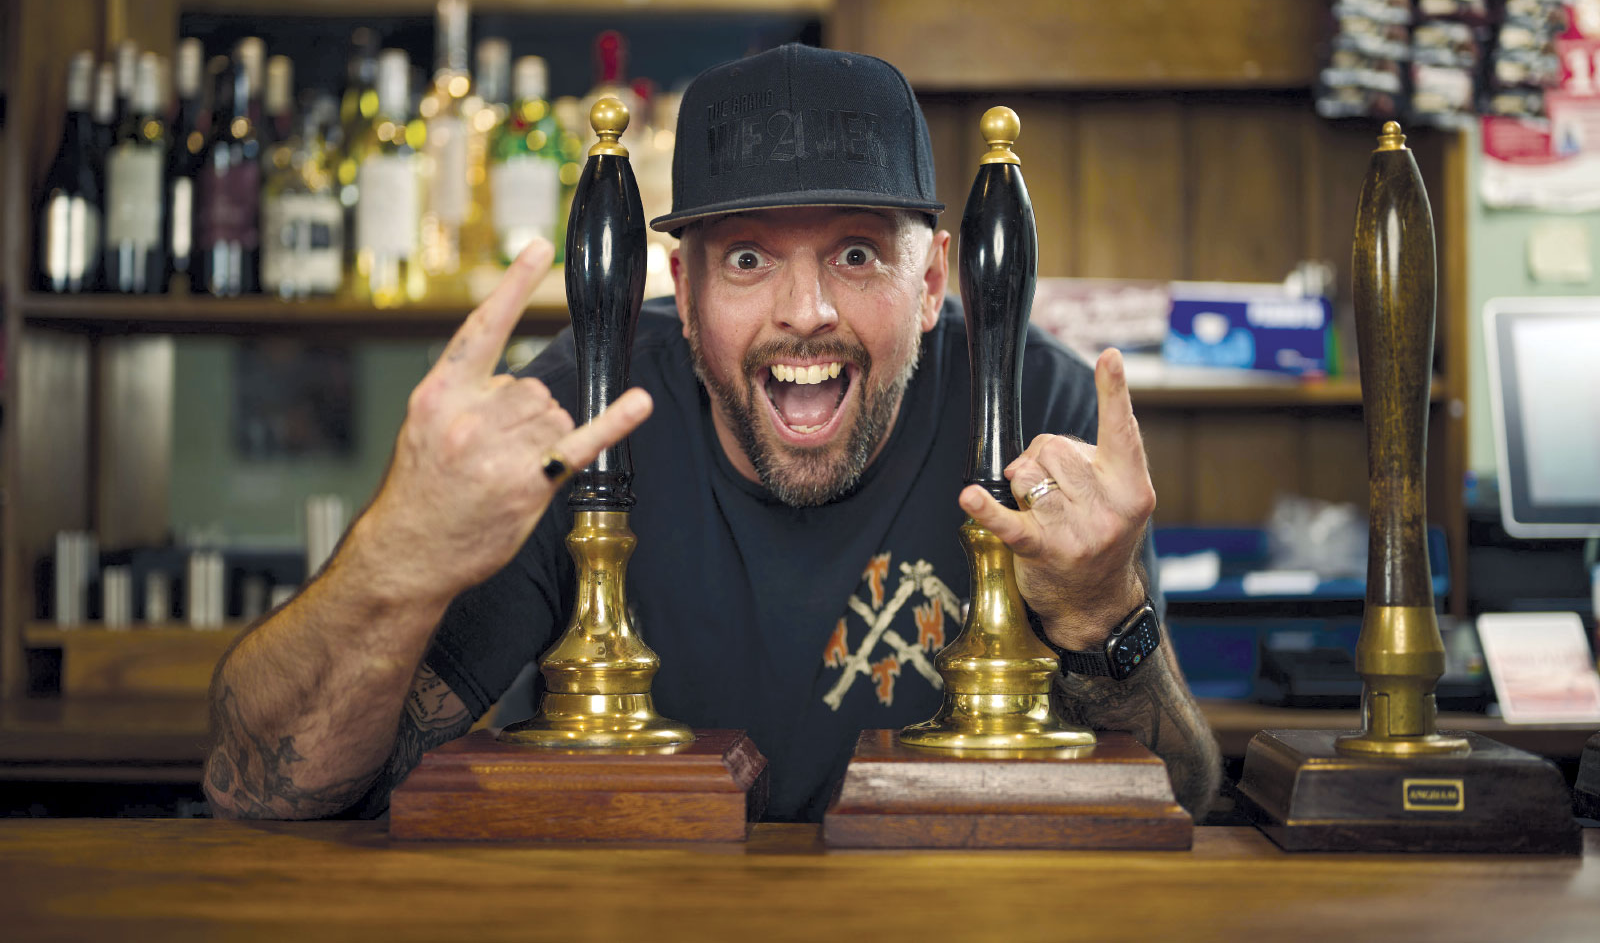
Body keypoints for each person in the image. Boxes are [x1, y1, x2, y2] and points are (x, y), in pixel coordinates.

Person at [204, 44, 1221, 822]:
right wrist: (395, 557)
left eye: (857, 253)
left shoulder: (1040, 410)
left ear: (931, 283)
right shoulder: (579, 409)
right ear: (682, 292)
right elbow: (262, 788)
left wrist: (1106, 614)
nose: (805, 311)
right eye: (746, 259)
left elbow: (1184, 799)